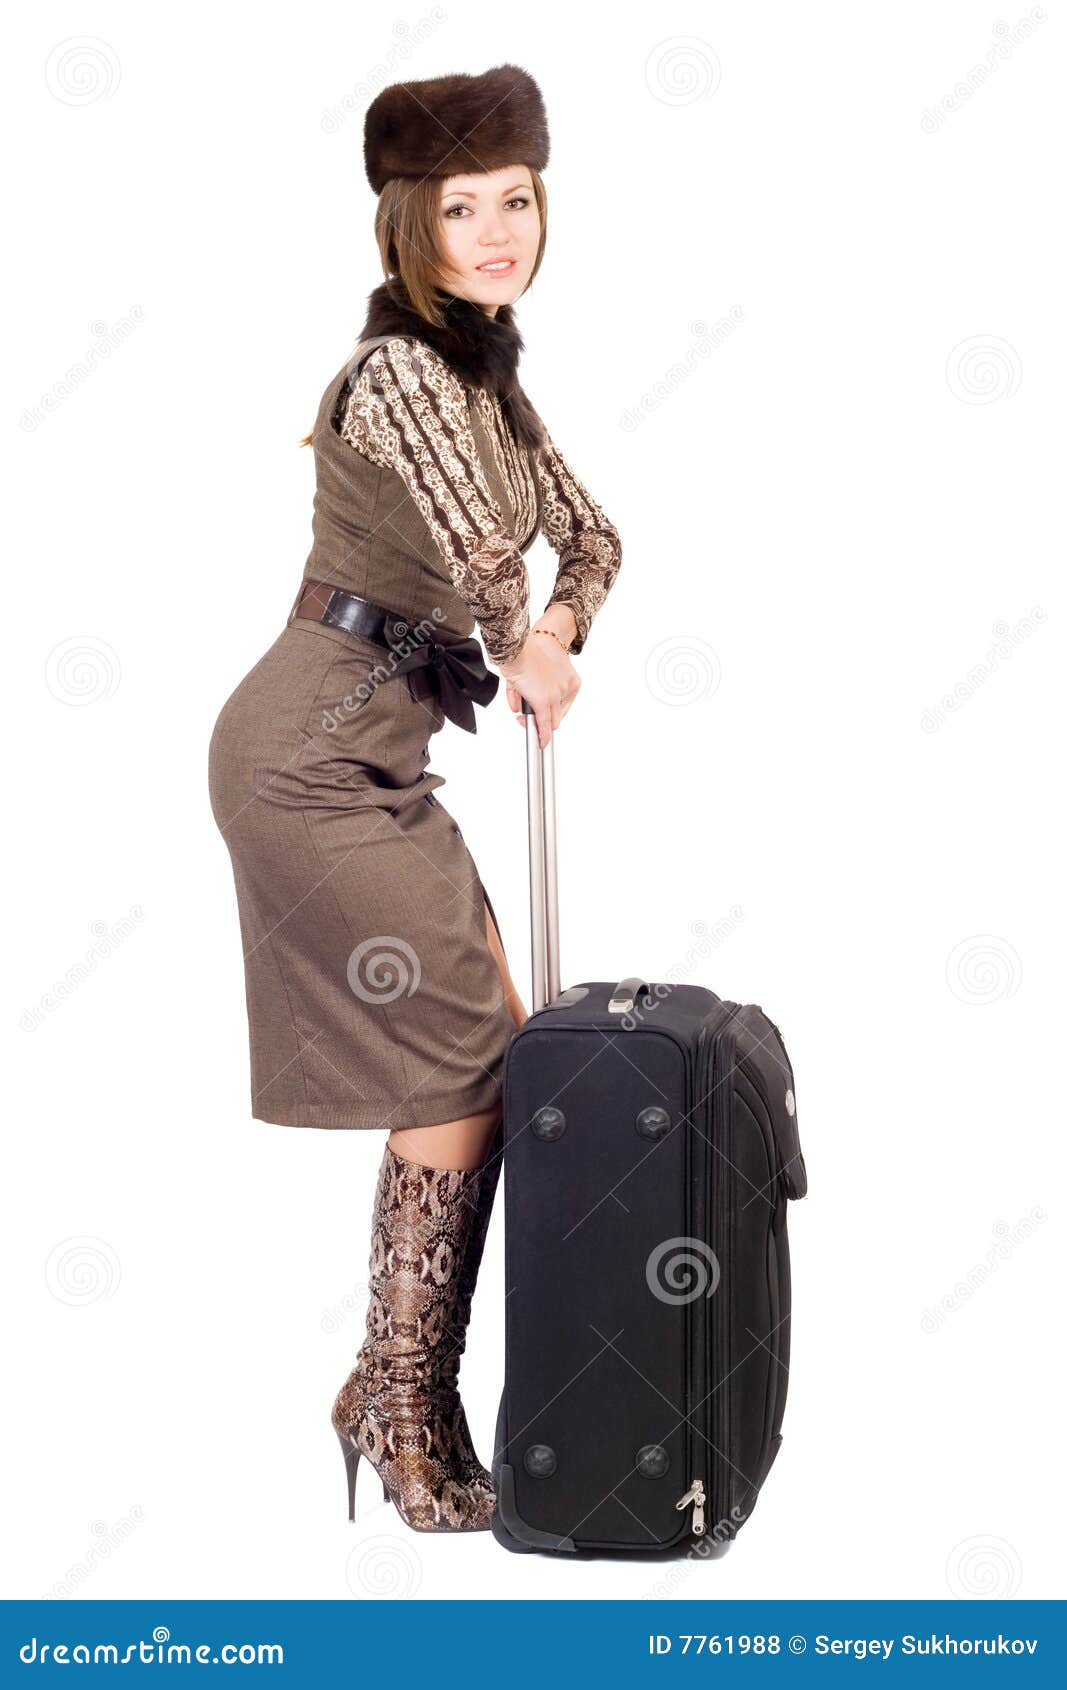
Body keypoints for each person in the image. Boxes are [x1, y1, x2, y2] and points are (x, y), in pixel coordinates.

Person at [206, 63, 622, 1533]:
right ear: (409, 223)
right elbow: (478, 563)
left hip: (381, 759)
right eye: (464, 206)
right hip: (304, 757)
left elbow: (590, 538)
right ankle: (395, 1393)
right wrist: (526, 638)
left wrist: (560, 628)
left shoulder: (483, 374)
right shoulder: (396, 374)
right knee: (465, 1066)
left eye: (517, 198)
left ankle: (398, 1385)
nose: (499, 229)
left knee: (502, 1065)